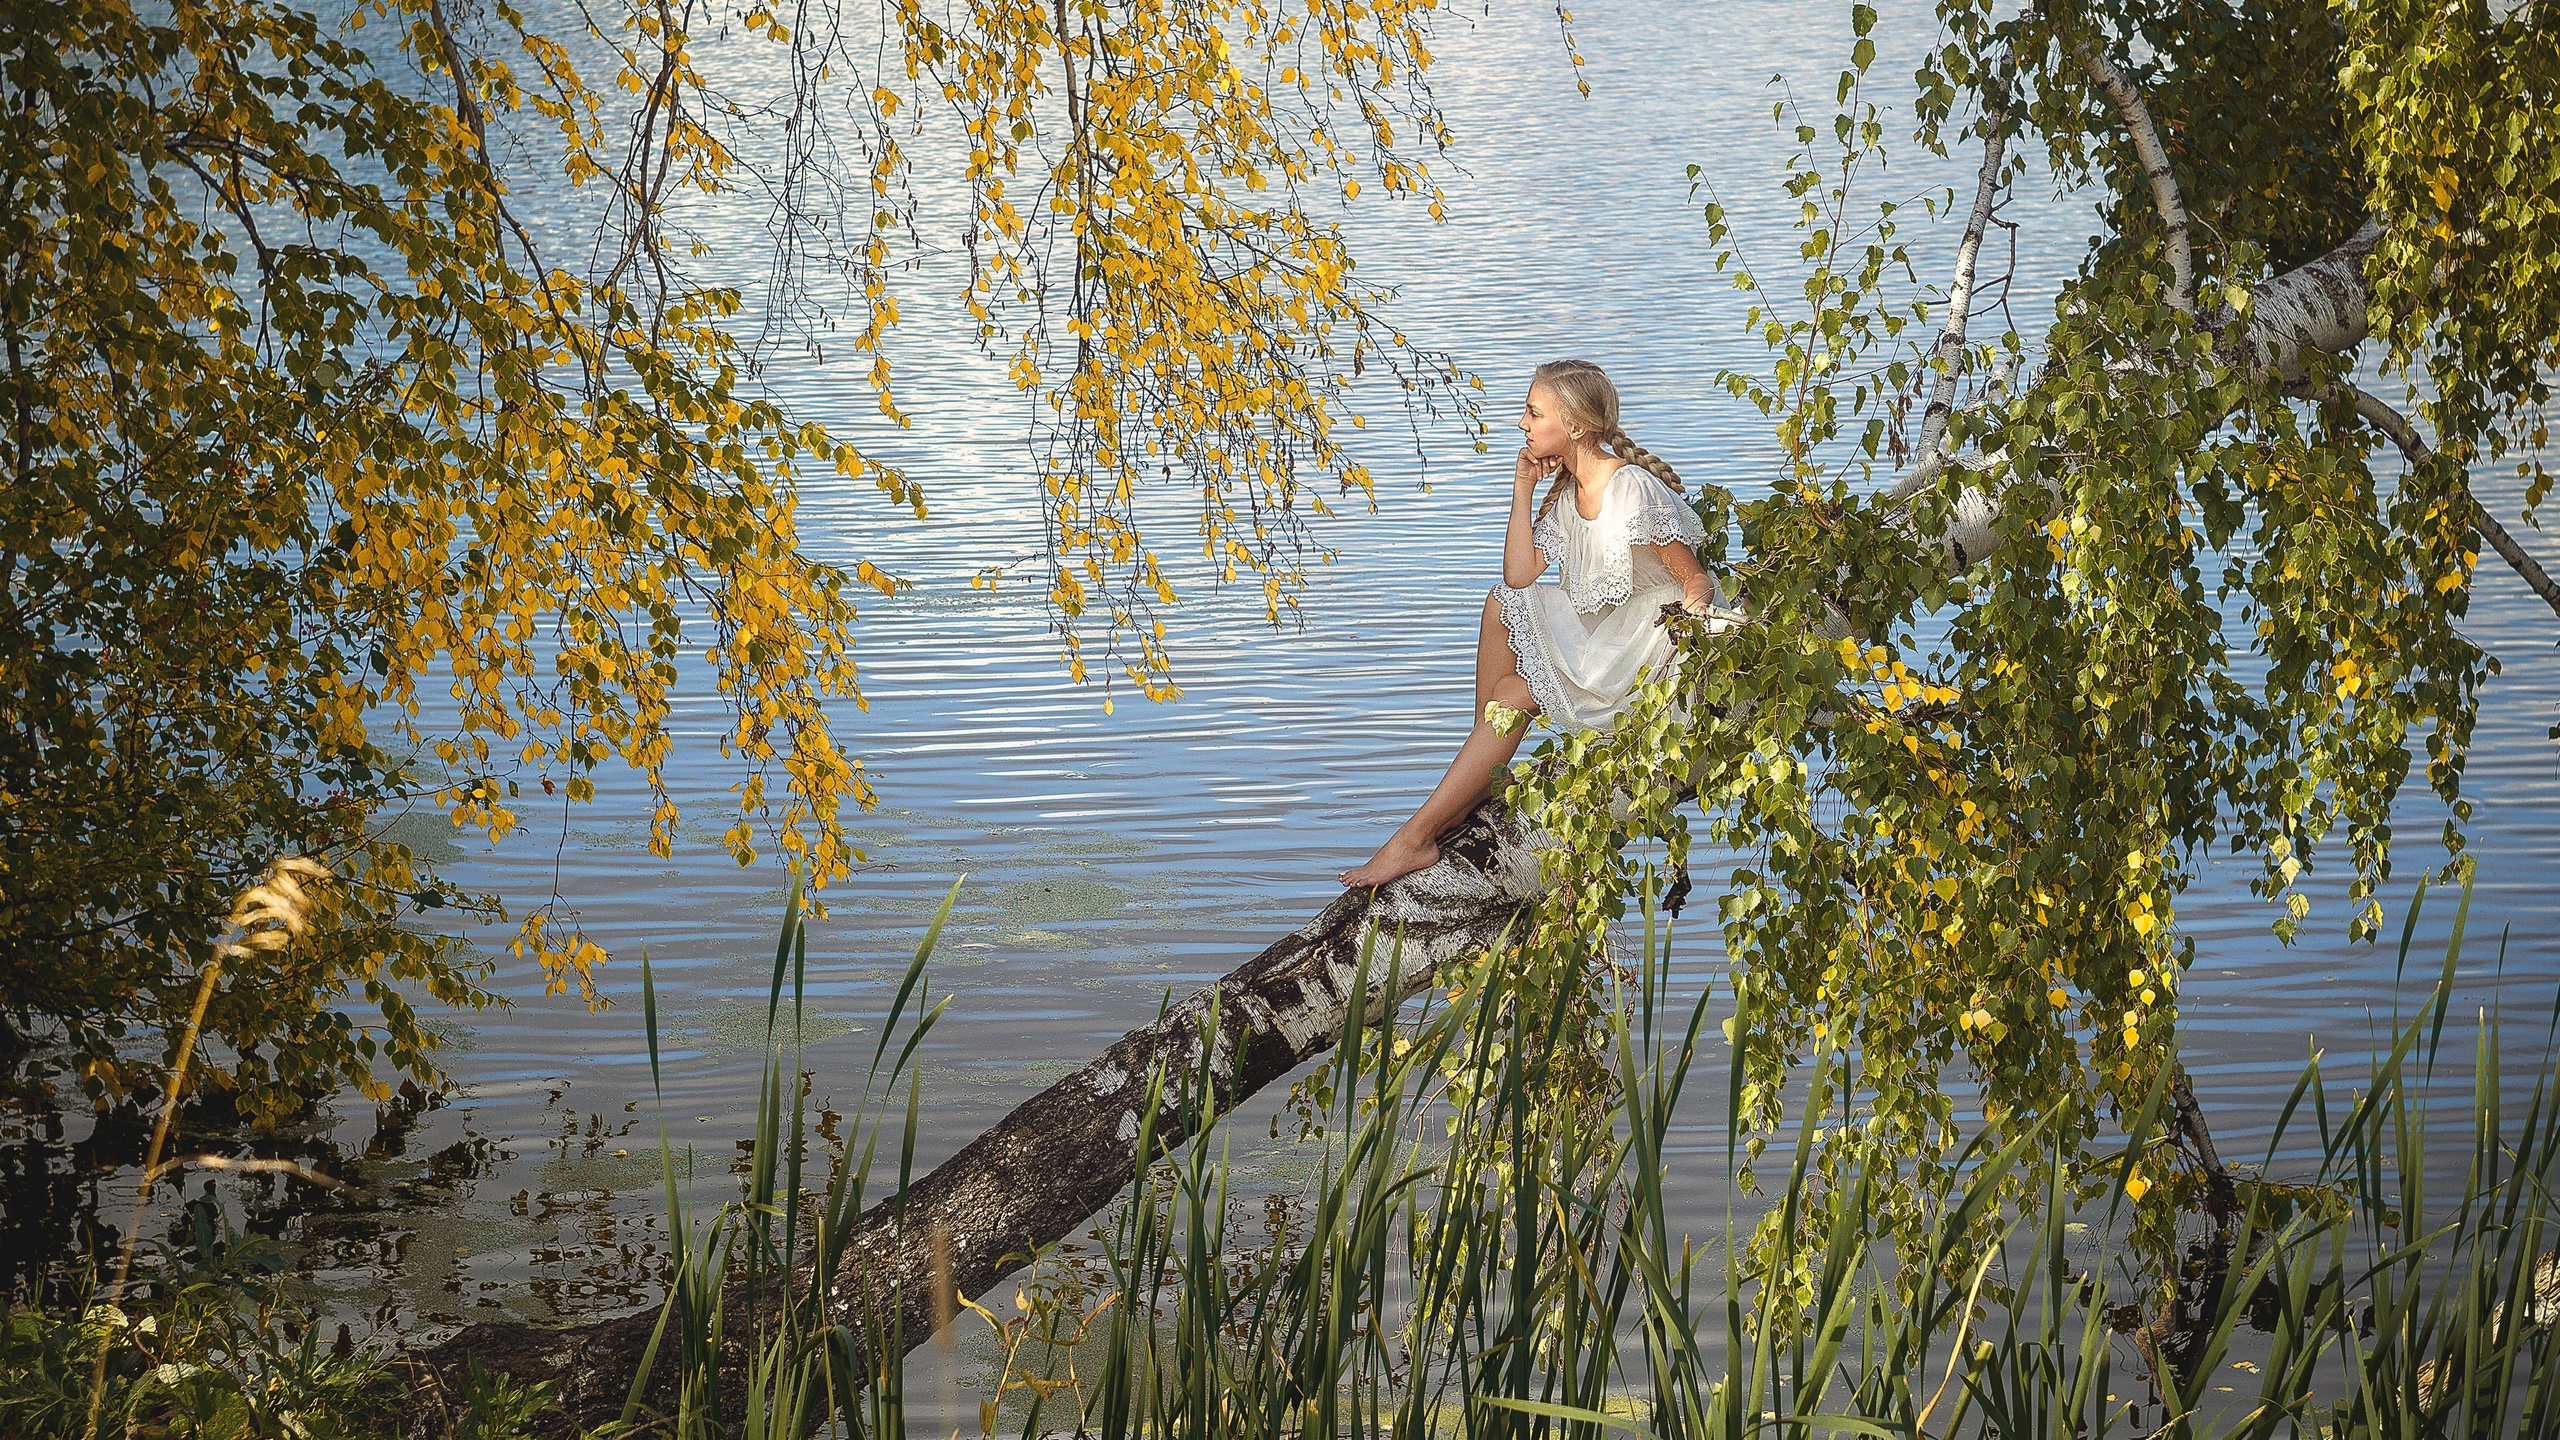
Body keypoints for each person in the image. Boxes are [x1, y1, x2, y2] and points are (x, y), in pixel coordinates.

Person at [1338, 359, 1724, 889]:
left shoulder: (1630, 489)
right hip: (1607, 636)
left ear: (1574, 426)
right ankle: (1479, 784)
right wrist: (1522, 490)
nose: (1521, 423)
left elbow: (1695, 583)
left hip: (1652, 646)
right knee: (1501, 606)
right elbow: (1519, 575)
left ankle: (1416, 837)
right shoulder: (1568, 494)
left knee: (1513, 694)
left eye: (1533, 412)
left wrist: (1691, 643)